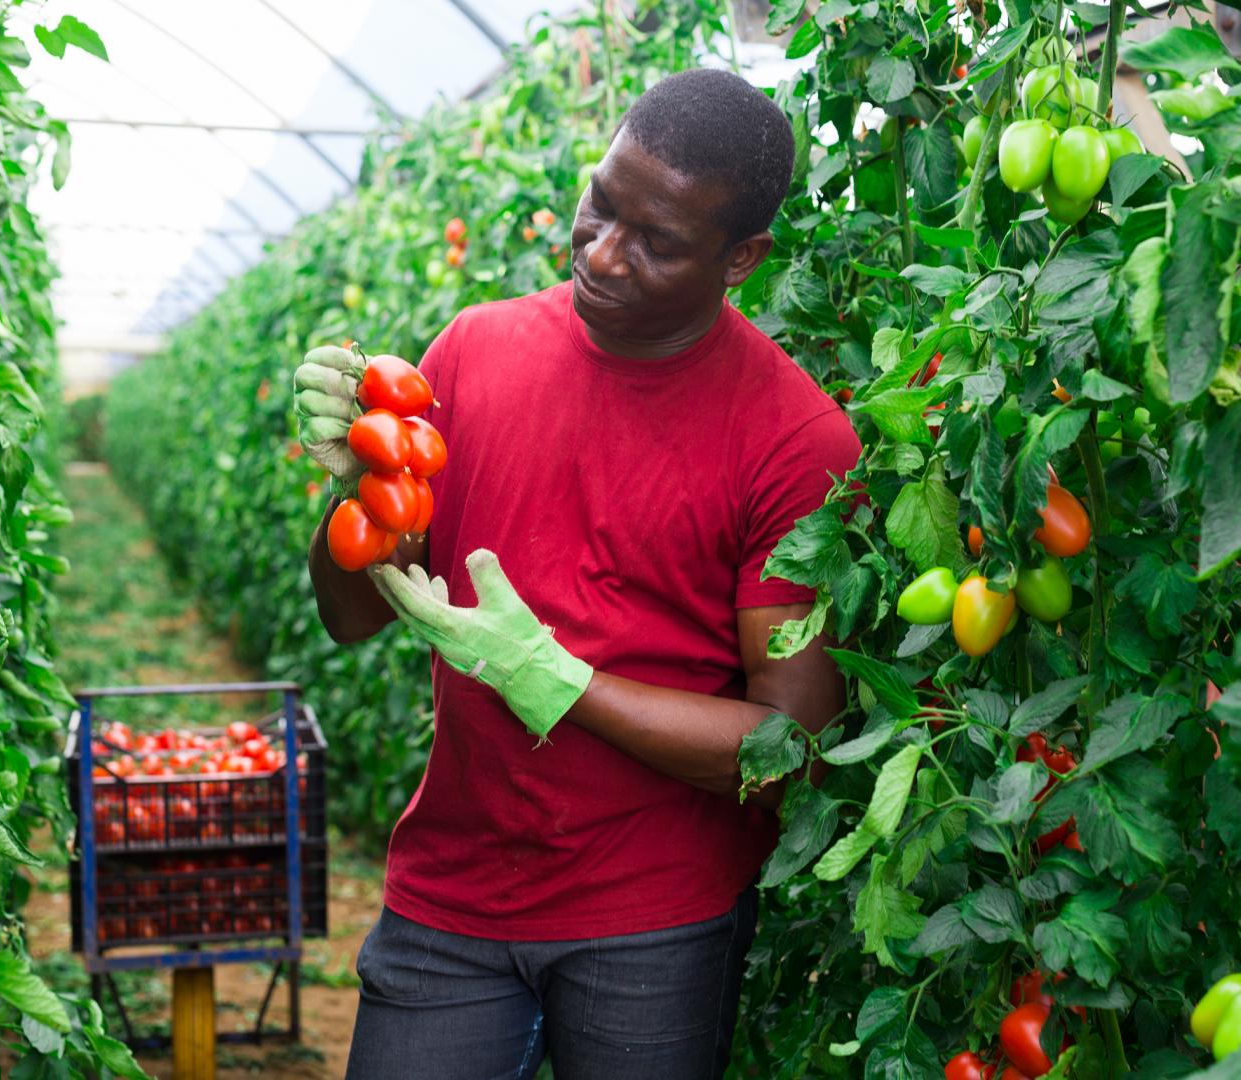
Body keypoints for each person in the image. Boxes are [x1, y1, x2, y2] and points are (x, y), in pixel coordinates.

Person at [301, 67, 860, 1079]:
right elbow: (349, 616)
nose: (603, 253)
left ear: (742, 258)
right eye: (600, 205)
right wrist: (356, 491)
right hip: (451, 894)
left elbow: (793, 744)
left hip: (654, 921)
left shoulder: (792, 439)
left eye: (657, 242)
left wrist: (561, 682)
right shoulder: (473, 353)